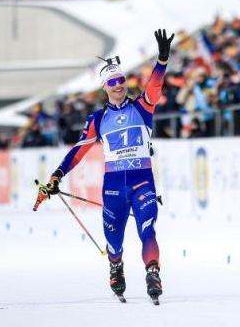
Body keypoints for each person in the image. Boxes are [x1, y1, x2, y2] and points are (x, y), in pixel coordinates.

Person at [40, 29, 174, 304]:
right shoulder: (97, 118)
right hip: (113, 188)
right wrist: (57, 175)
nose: (118, 85)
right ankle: (116, 266)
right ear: (104, 86)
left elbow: (155, 88)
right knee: (114, 241)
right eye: (112, 81)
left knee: (147, 229)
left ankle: (153, 273)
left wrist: (161, 61)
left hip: (142, 182)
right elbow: (78, 151)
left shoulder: (142, 107)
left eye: (121, 79)